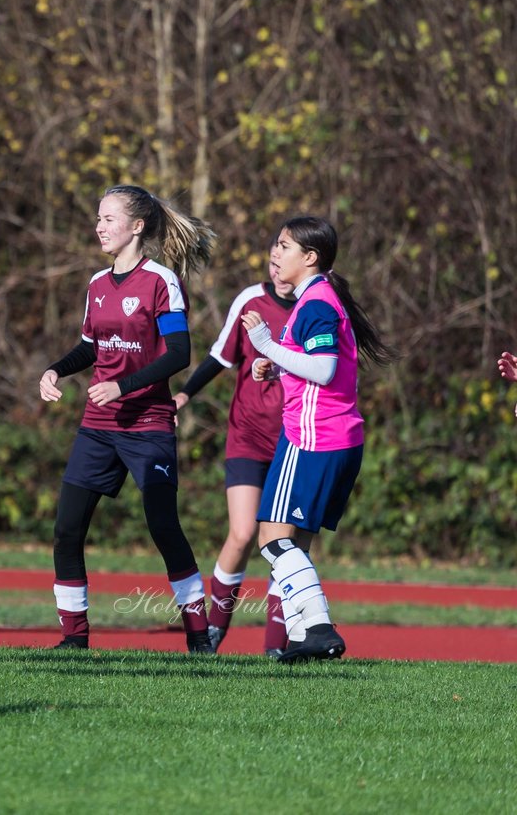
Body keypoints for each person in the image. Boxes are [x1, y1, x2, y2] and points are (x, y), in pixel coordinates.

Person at [39, 184, 216, 653]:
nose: (100, 227)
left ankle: (200, 635)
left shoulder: (160, 281)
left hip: (149, 424)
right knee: (67, 528)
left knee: (162, 525)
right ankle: (74, 639)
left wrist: (123, 386)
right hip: (98, 426)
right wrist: (56, 369)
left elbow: (179, 353)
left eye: (109, 218)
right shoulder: (98, 285)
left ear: (137, 227)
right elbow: (91, 348)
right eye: (98, 218)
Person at [241, 216, 394, 663]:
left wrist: (267, 347)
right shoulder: (317, 300)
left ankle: (320, 630)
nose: (274, 252)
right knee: (297, 542)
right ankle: (302, 641)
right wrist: (277, 364)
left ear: (310, 258)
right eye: (276, 243)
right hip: (334, 437)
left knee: (271, 538)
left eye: (285, 246)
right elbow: (317, 363)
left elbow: (325, 371)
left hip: (313, 440)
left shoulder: (317, 304)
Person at [174, 256, 296, 656]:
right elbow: (219, 357)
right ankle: (212, 631)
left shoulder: (317, 306)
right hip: (247, 435)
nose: (277, 263)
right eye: (274, 253)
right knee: (243, 533)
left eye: (286, 253)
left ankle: (276, 647)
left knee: (281, 543)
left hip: (294, 439)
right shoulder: (250, 301)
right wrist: (185, 394)